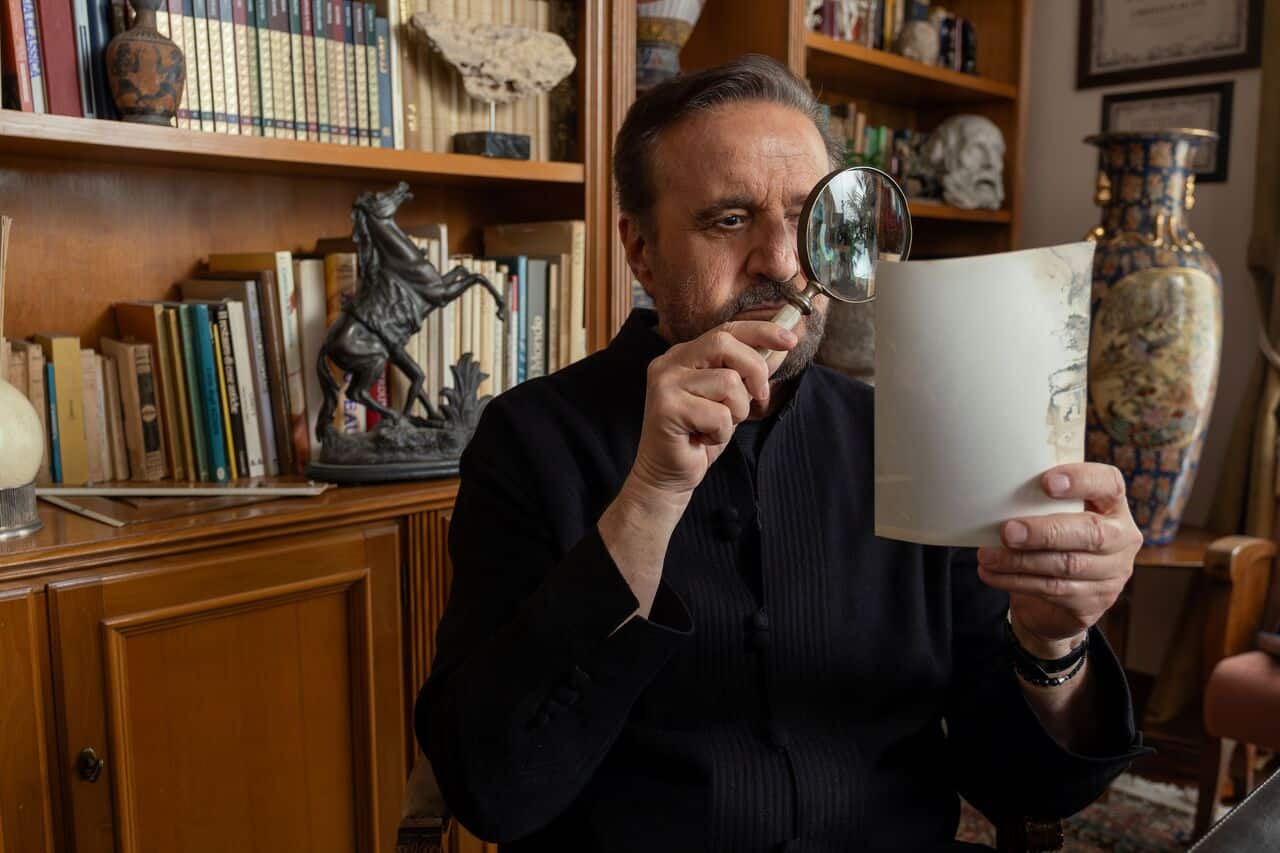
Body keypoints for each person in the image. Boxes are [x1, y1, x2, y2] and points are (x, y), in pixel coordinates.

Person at [415, 54, 1150, 852]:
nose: (782, 259)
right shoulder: (531, 440)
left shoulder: (911, 433)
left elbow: (1026, 786)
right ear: (641, 251)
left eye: (808, 218)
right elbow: (492, 789)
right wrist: (649, 500)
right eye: (730, 219)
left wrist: (1050, 645)